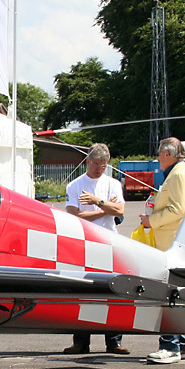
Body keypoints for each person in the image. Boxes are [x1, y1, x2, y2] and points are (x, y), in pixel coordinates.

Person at [62, 143, 129, 355]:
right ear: (88, 162)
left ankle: (114, 341)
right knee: (83, 292)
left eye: (104, 165)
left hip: (109, 242)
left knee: (113, 292)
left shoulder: (113, 184)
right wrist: (104, 208)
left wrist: (95, 202)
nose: (99, 168)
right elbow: (74, 216)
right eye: (96, 164)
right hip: (84, 243)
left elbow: (119, 210)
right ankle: (81, 341)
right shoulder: (75, 185)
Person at [140, 137, 185, 365]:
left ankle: (169, 346)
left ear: (168, 154)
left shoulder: (179, 175)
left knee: (169, 295)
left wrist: (151, 221)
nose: (157, 158)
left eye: (159, 154)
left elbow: (177, 209)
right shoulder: (180, 173)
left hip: (172, 242)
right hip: (174, 240)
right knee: (178, 294)